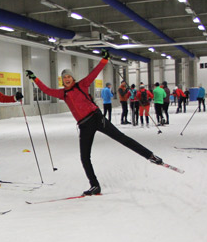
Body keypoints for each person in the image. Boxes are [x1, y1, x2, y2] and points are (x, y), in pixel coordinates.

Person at [27, 50, 163, 196]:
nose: (67, 79)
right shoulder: (63, 93)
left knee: (121, 138)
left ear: (73, 78)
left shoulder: (82, 85)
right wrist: (35, 78)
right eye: (64, 77)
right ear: (62, 80)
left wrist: (104, 60)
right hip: (84, 125)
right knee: (84, 157)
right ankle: (95, 185)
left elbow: (94, 73)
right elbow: (47, 90)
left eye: (69, 76)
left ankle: (150, 156)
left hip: (96, 118)